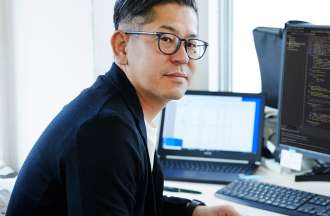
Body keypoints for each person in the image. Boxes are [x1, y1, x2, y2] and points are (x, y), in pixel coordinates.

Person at [6, 0, 240, 215]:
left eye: (190, 43)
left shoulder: (122, 108)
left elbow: (133, 200)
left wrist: (193, 212)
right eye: (166, 39)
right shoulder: (106, 129)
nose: (183, 57)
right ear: (122, 46)